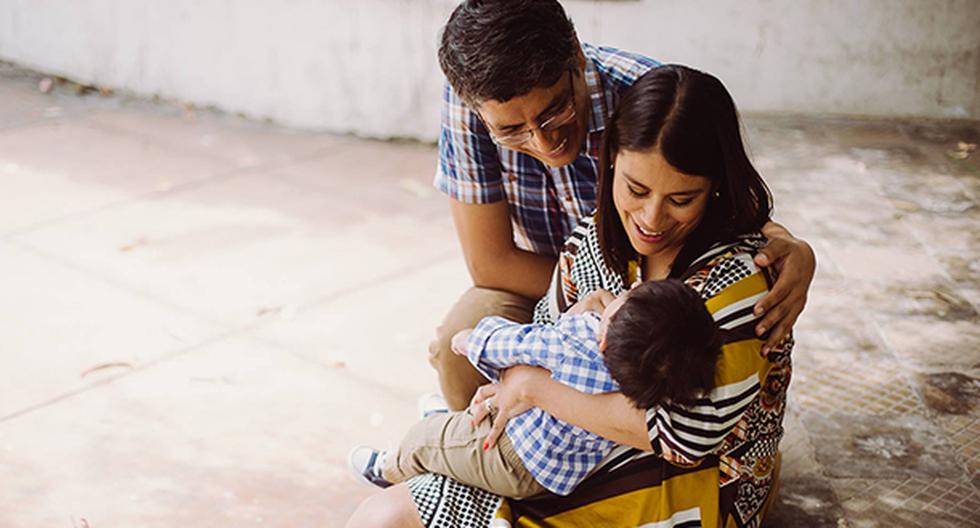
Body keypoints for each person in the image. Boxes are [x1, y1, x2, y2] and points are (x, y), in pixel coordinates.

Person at [347, 61, 794, 527]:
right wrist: (564, 331)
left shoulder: (741, 280)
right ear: (612, 160)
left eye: (681, 199)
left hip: (693, 486)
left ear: (716, 187)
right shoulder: (593, 242)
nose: (652, 218)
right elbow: (540, 339)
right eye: (636, 189)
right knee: (380, 517)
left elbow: (683, 438)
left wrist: (537, 390)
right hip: (572, 455)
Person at [426, 0, 814, 414]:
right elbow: (491, 264)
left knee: (662, 368)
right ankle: (489, 450)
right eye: (511, 131)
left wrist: (790, 246)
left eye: (556, 109)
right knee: (461, 341)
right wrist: (582, 306)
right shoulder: (472, 105)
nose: (543, 143)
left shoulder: (650, 96)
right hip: (549, 283)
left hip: (664, 290)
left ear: (575, 52)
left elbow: (729, 203)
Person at [349, 279, 722, 499]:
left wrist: (468, 340)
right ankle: (450, 432)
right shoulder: (644, 381)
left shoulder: (579, 342)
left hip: (513, 454)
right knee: (469, 423)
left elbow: (518, 343)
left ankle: (388, 466)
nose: (631, 287)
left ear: (606, 335)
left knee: (430, 439)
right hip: (556, 472)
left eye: (629, 296)